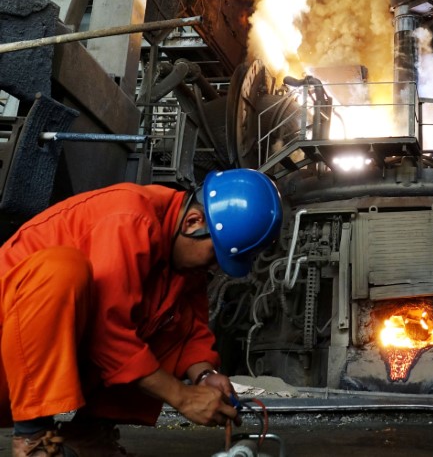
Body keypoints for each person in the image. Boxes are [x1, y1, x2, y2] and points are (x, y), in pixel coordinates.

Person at [0, 168, 282, 457]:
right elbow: (108, 334)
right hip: (8, 361)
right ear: (193, 221)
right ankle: (33, 438)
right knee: (60, 272)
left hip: (40, 359)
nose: (214, 268)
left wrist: (204, 375)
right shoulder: (128, 218)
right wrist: (182, 397)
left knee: (160, 311)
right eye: (215, 256)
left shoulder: (178, 253)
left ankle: (88, 435)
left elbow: (191, 327)